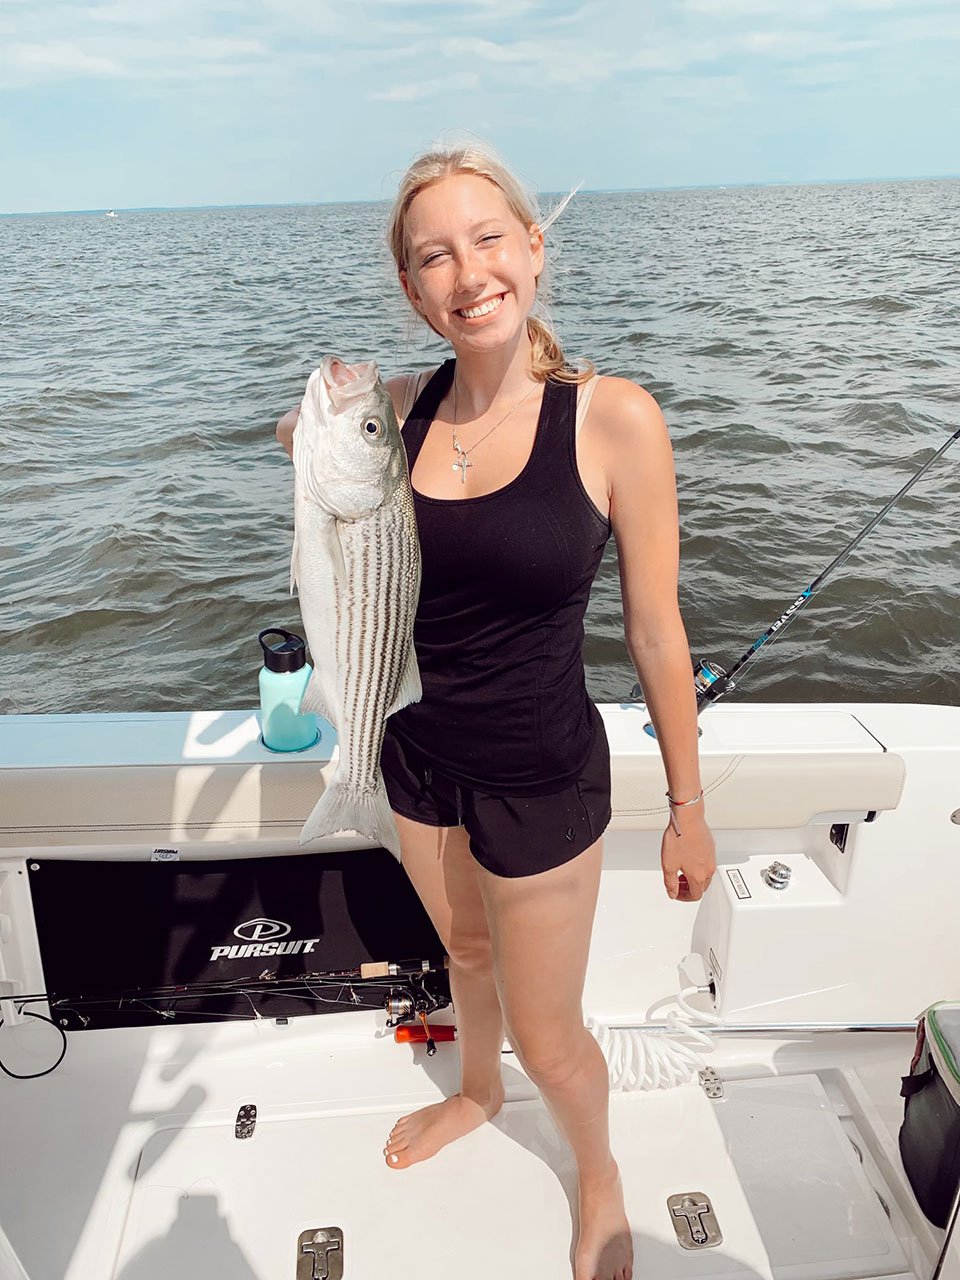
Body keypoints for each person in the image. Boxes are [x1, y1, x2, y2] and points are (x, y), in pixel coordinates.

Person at [277, 141, 716, 1280]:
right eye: (434, 255)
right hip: (412, 756)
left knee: (553, 1032)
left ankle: (601, 1171)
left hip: (540, 775)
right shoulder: (402, 410)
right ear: (413, 290)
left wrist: (688, 804)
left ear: (532, 248)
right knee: (461, 949)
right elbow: (314, 458)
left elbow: (658, 633)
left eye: (487, 239)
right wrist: (308, 428)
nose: (467, 271)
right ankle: (477, 1090)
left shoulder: (614, 419)